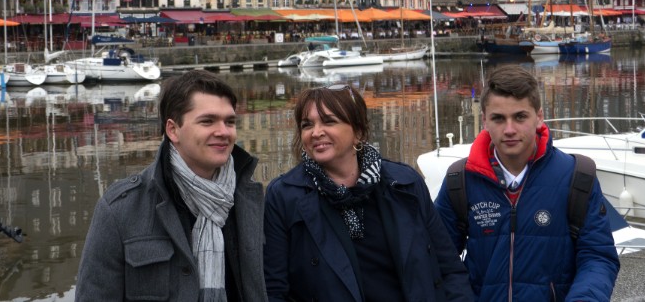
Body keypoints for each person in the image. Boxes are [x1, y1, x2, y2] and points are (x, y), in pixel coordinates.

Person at [264, 84, 473, 301]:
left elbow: (449, 269)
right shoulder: (284, 197)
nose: (316, 133)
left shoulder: (405, 183)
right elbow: (274, 289)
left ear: (358, 132)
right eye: (307, 125)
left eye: (329, 121)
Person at [434, 65, 620, 301]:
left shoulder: (577, 177)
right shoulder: (459, 180)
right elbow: (440, 261)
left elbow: (597, 257)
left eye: (520, 117)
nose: (509, 129)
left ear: (539, 117)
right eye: (498, 118)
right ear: (484, 121)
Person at [76, 69, 265, 301]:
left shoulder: (251, 201)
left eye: (230, 122)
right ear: (173, 130)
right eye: (207, 121)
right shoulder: (119, 210)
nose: (223, 132)